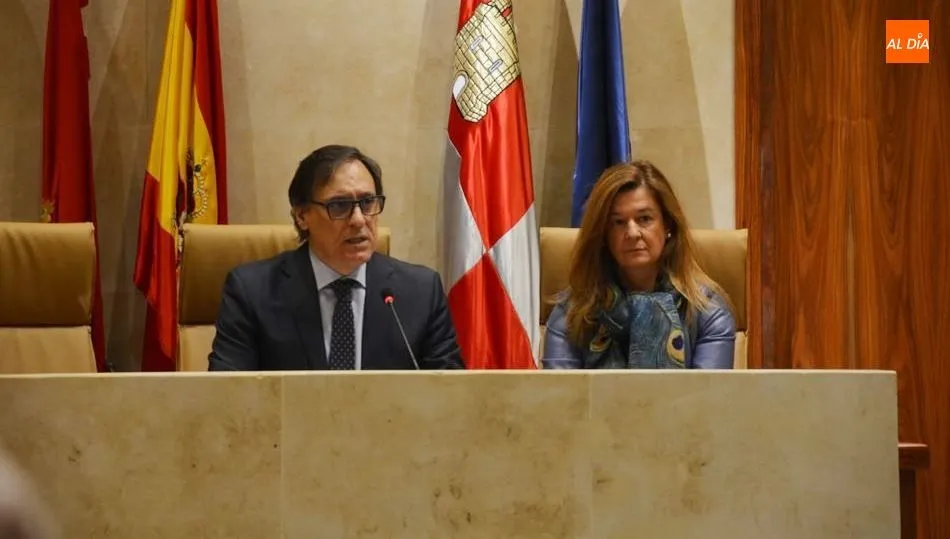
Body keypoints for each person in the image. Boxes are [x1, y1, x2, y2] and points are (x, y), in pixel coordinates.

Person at [208, 145, 465, 370]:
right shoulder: (253, 292)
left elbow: (449, 396)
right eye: (339, 205)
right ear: (302, 216)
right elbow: (229, 397)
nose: (358, 219)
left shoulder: (420, 292)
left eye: (368, 202)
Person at [542, 160, 736, 369]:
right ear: (603, 234)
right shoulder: (572, 314)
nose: (633, 233)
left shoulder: (707, 311)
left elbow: (709, 399)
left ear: (667, 225)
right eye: (618, 222)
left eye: (644, 218)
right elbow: (560, 398)